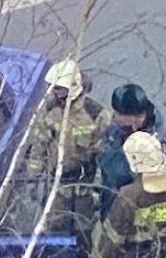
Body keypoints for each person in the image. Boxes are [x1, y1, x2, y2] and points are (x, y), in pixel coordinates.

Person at [24, 60, 110, 247]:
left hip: (85, 187)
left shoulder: (96, 114)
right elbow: (39, 146)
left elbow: (106, 153)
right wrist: (32, 178)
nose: (54, 93)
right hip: (56, 186)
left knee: (84, 230)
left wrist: (100, 185)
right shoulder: (49, 111)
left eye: (58, 89)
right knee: (54, 229)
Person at [97, 83, 166, 217]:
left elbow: (118, 175)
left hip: (140, 208)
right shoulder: (115, 130)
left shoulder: (157, 142)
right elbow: (103, 162)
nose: (114, 117)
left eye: (118, 115)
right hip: (113, 202)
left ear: (136, 118)